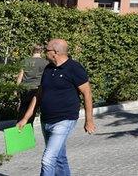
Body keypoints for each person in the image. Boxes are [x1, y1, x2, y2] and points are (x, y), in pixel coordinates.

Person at [17, 39, 94, 176]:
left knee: (48, 160)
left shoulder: (74, 68)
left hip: (64, 120)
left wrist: (89, 120)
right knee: (59, 158)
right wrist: (26, 118)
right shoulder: (48, 68)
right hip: (46, 120)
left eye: (47, 50)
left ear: (55, 52)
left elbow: (87, 93)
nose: (45, 53)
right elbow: (39, 94)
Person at [16, 44, 49, 117]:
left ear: (32, 50)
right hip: (37, 89)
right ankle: (27, 125)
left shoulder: (25, 61)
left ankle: (21, 126)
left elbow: (20, 75)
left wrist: (16, 88)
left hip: (25, 88)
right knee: (32, 110)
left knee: (23, 109)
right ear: (41, 51)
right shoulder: (45, 63)